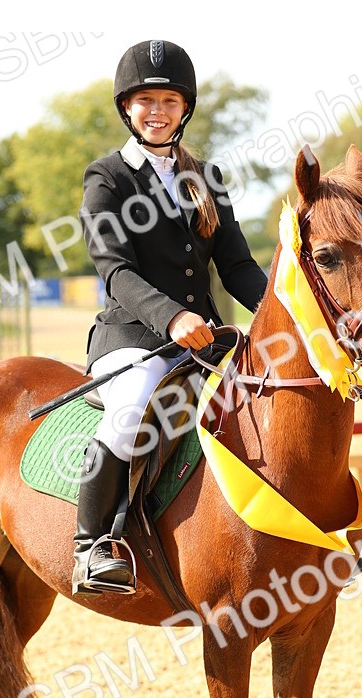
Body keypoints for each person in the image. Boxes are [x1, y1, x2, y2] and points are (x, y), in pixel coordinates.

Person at [73, 39, 268, 596]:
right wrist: (172, 318)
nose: (156, 110)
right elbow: (115, 270)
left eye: (168, 100)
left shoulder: (207, 177)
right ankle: (92, 545)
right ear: (126, 109)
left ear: (185, 109)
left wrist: (285, 314)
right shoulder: (107, 177)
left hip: (205, 337)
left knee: (272, 398)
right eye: (144, 101)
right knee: (131, 410)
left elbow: (237, 267)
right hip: (133, 336)